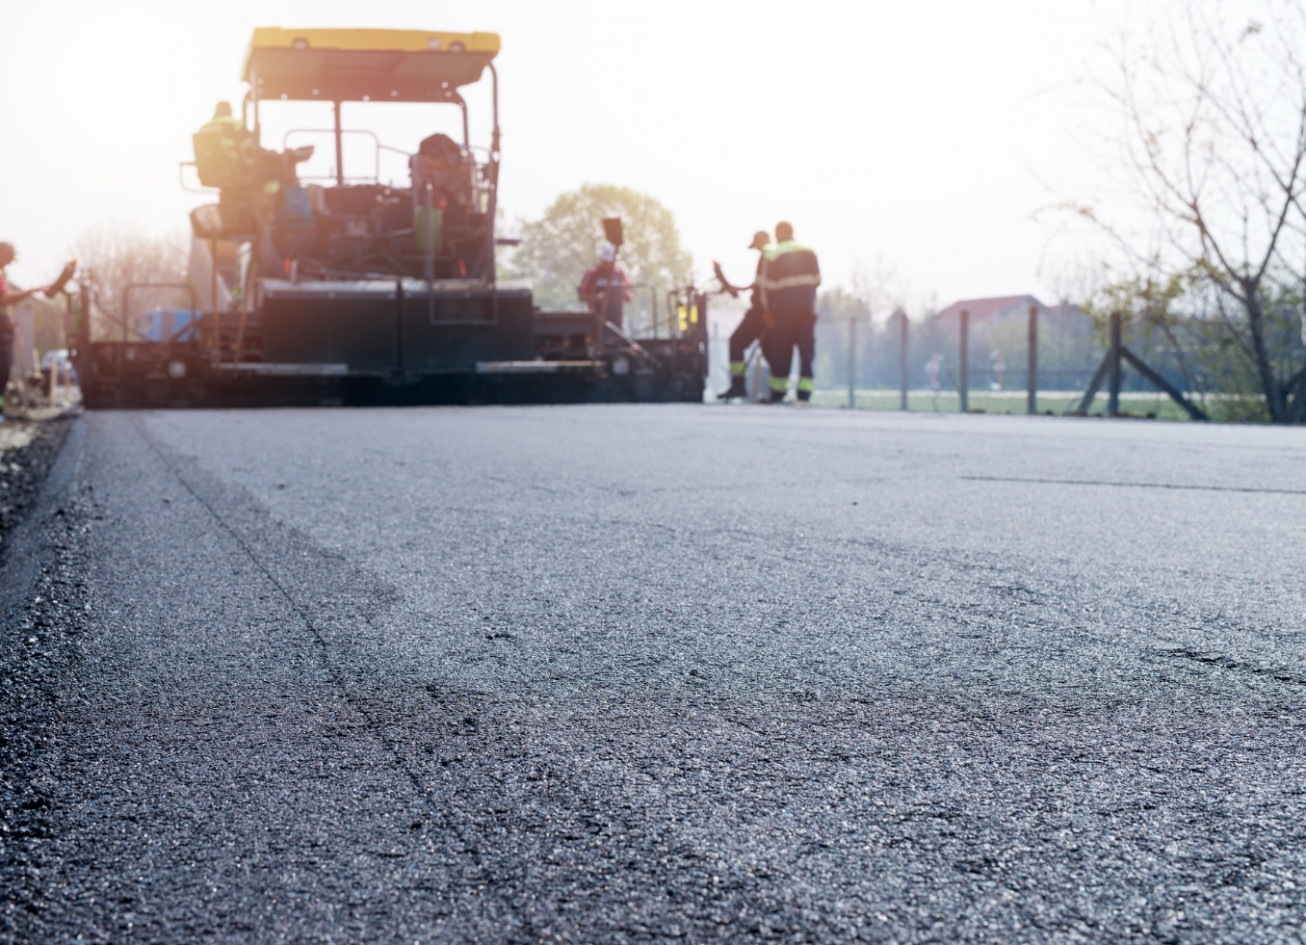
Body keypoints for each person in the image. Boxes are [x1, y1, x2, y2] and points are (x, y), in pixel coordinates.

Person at [760, 221, 821, 402]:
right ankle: (804, 393)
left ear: (778, 233)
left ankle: (778, 392)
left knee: (781, 351)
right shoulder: (809, 251)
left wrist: (768, 311)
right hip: (807, 310)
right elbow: (817, 280)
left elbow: (767, 288)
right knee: (806, 351)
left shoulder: (772, 254)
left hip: (784, 311)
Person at [0, 242, 54, 418]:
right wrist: (32, 290)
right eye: (8, 259)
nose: (8, 264)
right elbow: (4, 299)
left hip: (5, 330)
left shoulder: (2, 273)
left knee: (4, 372)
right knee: (1, 371)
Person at [718, 230, 773, 400]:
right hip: (766, 311)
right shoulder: (768, 257)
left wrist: (766, 310)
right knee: (771, 351)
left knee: (736, 342)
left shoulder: (768, 256)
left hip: (761, 312)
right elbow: (759, 285)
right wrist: (740, 289)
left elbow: (765, 288)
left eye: (757, 245)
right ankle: (775, 391)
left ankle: (738, 385)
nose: (756, 249)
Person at [578, 241, 633, 329]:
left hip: (617, 322)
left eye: (608, 261)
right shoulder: (592, 273)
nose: (606, 263)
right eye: (604, 260)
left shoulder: (620, 273)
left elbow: (629, 297)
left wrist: (623, 291)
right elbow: (581, 296)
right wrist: (596, 297)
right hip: (595, 321)